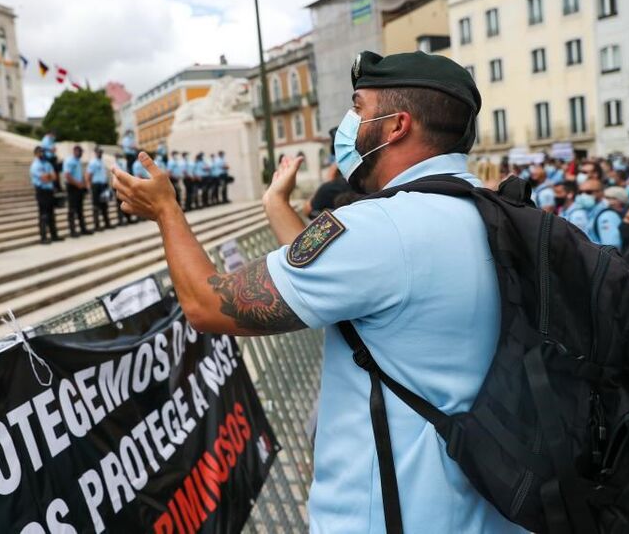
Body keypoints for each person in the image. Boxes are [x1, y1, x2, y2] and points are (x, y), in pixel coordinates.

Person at [111, 50, 523, 533]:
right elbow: (348, 281)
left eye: (360, 107)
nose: (350, 122)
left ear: (396, 127)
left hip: (392, 517)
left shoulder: (383, 228)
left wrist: (166, 211)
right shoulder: (493, 211)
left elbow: (208, 304)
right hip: (486, 511)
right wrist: (275, 203)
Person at [572, 178, 622, 249]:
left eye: (588, 192)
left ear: (601, 193)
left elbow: (612, 249)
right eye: (580, 192)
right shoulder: (586, 212)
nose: (583, 195)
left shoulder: (607, 215)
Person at [30, 145, 61, 244]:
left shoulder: (48, 163)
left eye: (43, 152)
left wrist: (48, 176)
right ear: (35, 154)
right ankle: (43, 237)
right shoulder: (35, 165)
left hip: (49, 191)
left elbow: (54, 177)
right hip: (41, 191)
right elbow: (43, 178)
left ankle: (54, 235)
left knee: (51, 214)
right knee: (43, 215)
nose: (42, 154)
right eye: (40, 152)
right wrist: (48, 176)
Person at [63, 145, 92, 237]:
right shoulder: (69, 161)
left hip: (79, 187)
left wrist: (83, 184)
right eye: (80, 152)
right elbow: (67, 175)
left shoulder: (78, 161)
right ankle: (72, 231)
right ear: (75, 151)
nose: (81, 154)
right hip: (72, 187)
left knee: (80, 209)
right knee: (72, 210)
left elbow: (79, 175)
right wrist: (78, 184)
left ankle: (83, 229)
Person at [87, 147, 112, 231]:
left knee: (105, 205)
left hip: (103, 185)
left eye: (101, 152)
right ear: (95, 153)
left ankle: (107, 223)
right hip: (96, 185)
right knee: (96, 206)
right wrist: (89, 186)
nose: (100, 153)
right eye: (98, 152)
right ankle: (96, 225)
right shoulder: (93, 162)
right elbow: (89, 175)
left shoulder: (101, 162)